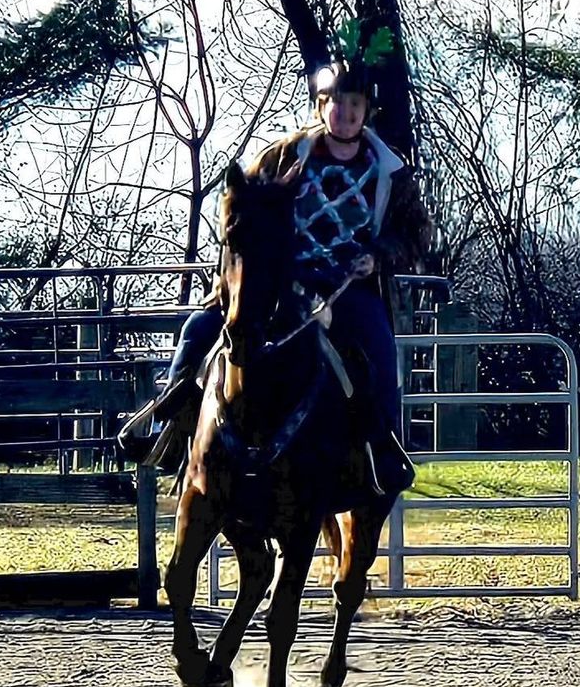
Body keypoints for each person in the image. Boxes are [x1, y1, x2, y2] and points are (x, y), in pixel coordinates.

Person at [120, 58, 435, 492]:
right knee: (201, 326)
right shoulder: (284, 154)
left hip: (348, 287)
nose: (345, 113)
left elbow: (415, 234)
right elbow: (238, 202)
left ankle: (383, 447)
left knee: (380, 350)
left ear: (368, 111)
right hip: (283, 280)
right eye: (336, 103)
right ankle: (169, 421)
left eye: (355, 104)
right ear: (321, 105)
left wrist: (378, 256)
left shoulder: (390, 171)